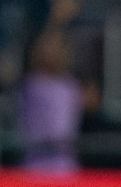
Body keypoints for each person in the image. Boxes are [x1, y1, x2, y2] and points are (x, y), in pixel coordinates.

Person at [17, 25, 83, 174]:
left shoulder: (71, 85)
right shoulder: (31, 84)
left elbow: (65, 128)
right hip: (35, 165)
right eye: (47, 47)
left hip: (64, 166)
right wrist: (57, 19)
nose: (52, 52)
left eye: (58, 47)